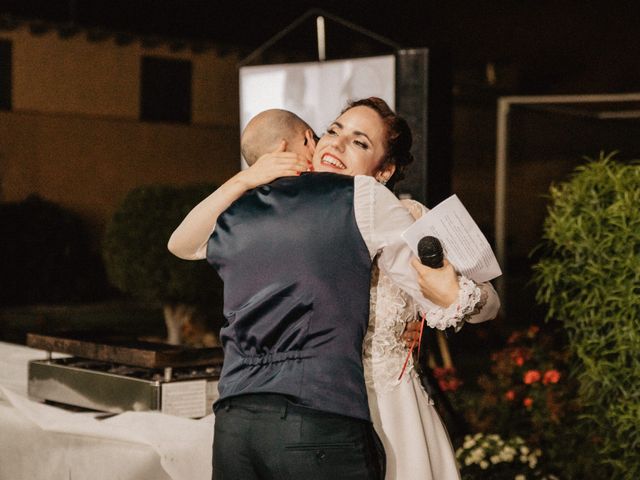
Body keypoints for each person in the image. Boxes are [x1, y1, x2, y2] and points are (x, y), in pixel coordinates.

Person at [168, 100, 499, 479]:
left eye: (359, 143)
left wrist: (449, 296)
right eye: (333, 131)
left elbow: (478, 298)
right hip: (320, 408)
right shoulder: (276, 209)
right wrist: (246, 178)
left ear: (385, 170)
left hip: (383, 406)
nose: (336, 146)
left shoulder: (401, 214)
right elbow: (184, 244)